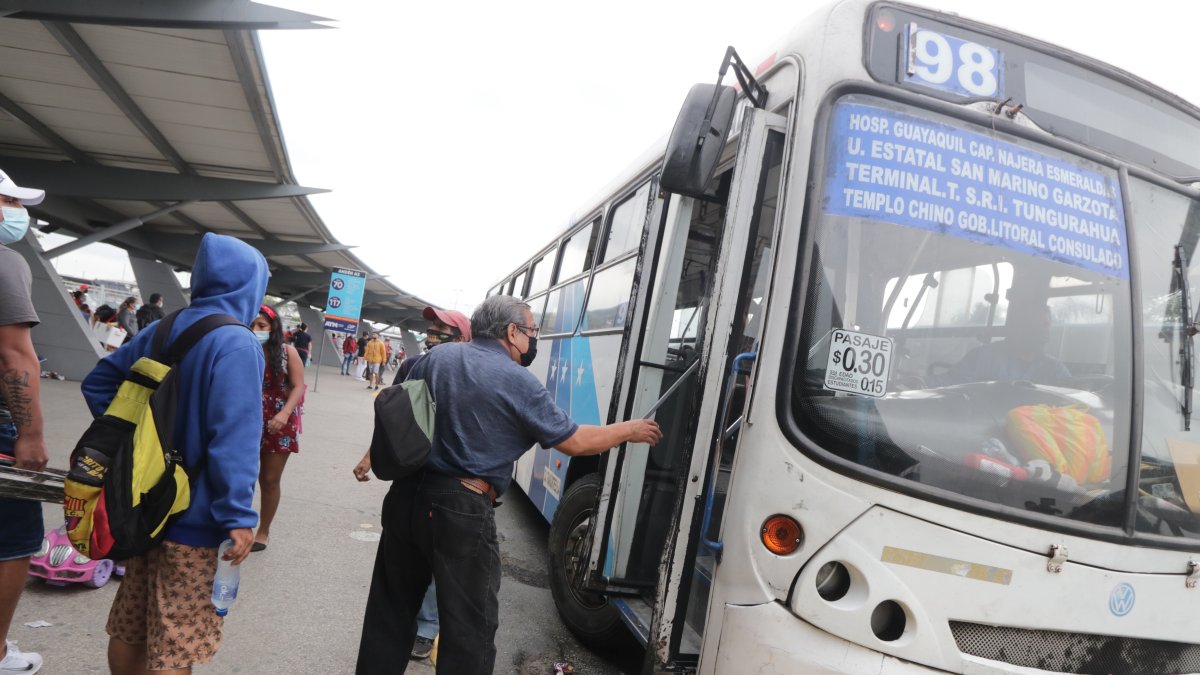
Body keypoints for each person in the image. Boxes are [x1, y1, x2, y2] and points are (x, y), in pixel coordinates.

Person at [355, 296, 663, 674]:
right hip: (461, 510)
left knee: (390, 612)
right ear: (512, 332)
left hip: (405, 499)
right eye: (531, 331)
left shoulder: (439, 357)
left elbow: (395, 405)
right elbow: (574, 441)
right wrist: (628, 430)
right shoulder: (519, 382)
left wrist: (373, 454)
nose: (533, 340)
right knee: (469, 629)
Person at [82, 233, 268, 675]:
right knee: (175, 642)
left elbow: (99, 384)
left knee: (132, 625)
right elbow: (234, 439)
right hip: (194, 518)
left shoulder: (163, 327)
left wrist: (138, 444)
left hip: (142, 505)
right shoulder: (237, 343)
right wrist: (237, 515)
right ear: (250, 284)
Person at [353, 306, 471, 659]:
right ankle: (398, 633)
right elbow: (392, 418)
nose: (433, 333)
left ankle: (426, 628)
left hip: (454, 485)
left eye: (442, 328)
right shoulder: (412, 365)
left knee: (438, 563)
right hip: (411, 478)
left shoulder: (474, 373)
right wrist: (370, 456)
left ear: (462, 337)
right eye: (431, 327)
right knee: (403, 563)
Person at [0, 168, 48, 674]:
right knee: (12, 539)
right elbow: (16, 356)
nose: (18, 214)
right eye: (11, 202)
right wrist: (30, 435)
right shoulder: (4, 261)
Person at [250, 305, 305, 553]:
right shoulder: (242, 349)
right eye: (252, 325)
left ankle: (263, 531)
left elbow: (298, 386)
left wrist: (283, 414)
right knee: (240, 476)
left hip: (278, 422)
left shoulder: (286, 352)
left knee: (270, 479)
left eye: (261, 325)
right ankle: (237, 525)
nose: (256, 330)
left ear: (272, 328)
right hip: (245, 419)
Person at [941, 300, 1072, 386]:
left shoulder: (1055, 368)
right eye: (1035, 325)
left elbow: (1072, 395)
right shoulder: (983, 357)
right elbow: (949, 384)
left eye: (1045, 325)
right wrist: (921, 384)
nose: (1043, 330)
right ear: (1018, 327)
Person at [392, 307, 472, 386]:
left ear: (458, 339)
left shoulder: (467, 377)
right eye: (433, 324)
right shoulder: (411, 364)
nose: (431, 329)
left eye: (441, 327)